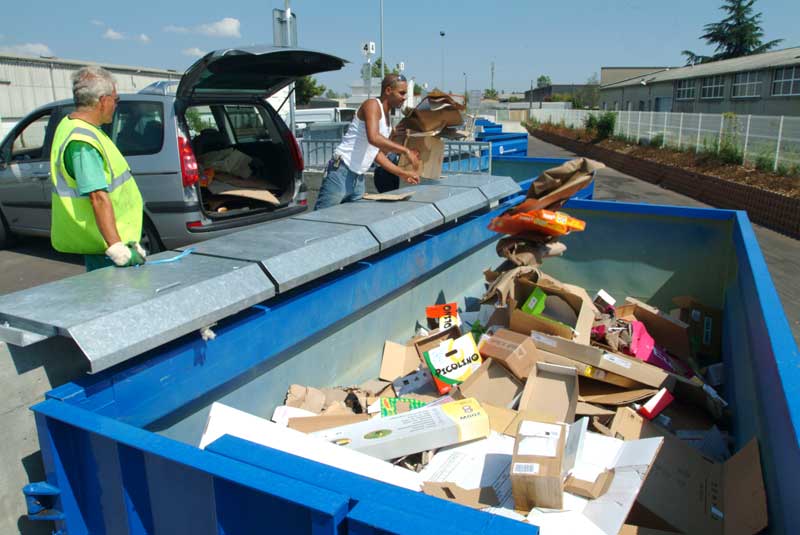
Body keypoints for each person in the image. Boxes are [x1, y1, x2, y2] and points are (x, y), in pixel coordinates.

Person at [50, 66, 146, 271]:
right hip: (106, 248)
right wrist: (117, 247)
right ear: (103, 101)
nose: (116, 105)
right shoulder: (82, 142)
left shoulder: (74, 126)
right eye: (116, 99)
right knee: (117, 299)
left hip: (111, 240)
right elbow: (98, 197)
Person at [315, 74, 420, 210]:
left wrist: (403, 173)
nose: (404, 97)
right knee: (321, 220)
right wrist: (405, 151)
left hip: (358, 178)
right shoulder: (372, 105)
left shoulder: (387, 118)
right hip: (341, 171)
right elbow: (374, 138)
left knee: (352, 223)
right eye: (401, 93)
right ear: (388, 91)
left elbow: (377, 154)